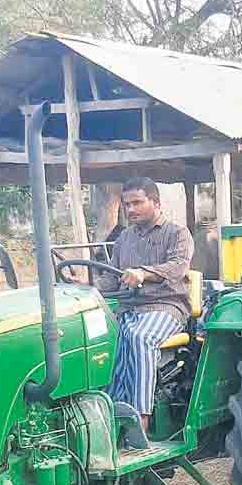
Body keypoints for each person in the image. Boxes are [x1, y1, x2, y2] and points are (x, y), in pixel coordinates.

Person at [95, 177, 194, 444]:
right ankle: (109, 413)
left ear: (156, 203)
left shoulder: (177, 233)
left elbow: (177, 267)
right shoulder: (124, 238)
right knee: (100, 341)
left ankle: (140, 417)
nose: (131, 209)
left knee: (140, 337)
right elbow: (111, 279)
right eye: (127, 204)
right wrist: (87, 286)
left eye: (137, 202)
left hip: (166, 306)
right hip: (129, 309)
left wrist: (144, 273)